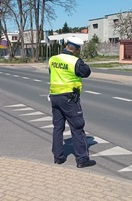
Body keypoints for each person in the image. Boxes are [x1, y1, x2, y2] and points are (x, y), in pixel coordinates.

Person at [48, 36, 96, 168]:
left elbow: (52, 73)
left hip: (54, 96)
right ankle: (82, 159)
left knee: (58, 127)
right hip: (69, 98)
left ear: (66, 45)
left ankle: (58, 157)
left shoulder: (53, 59)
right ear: (77, 49)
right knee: (77, 127)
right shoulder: (75, 61)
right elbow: (86, 72)